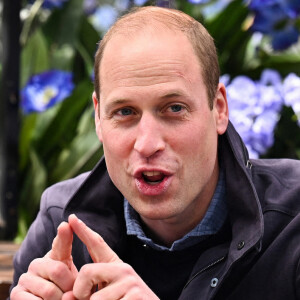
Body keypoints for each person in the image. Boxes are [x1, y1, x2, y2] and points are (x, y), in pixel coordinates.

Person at [9, 6, 300, 300]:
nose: (147, 144)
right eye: (124, 112)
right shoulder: (61, 221)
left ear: (219, 109)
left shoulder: (293, 219)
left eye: (174, 108)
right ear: (98, 118)